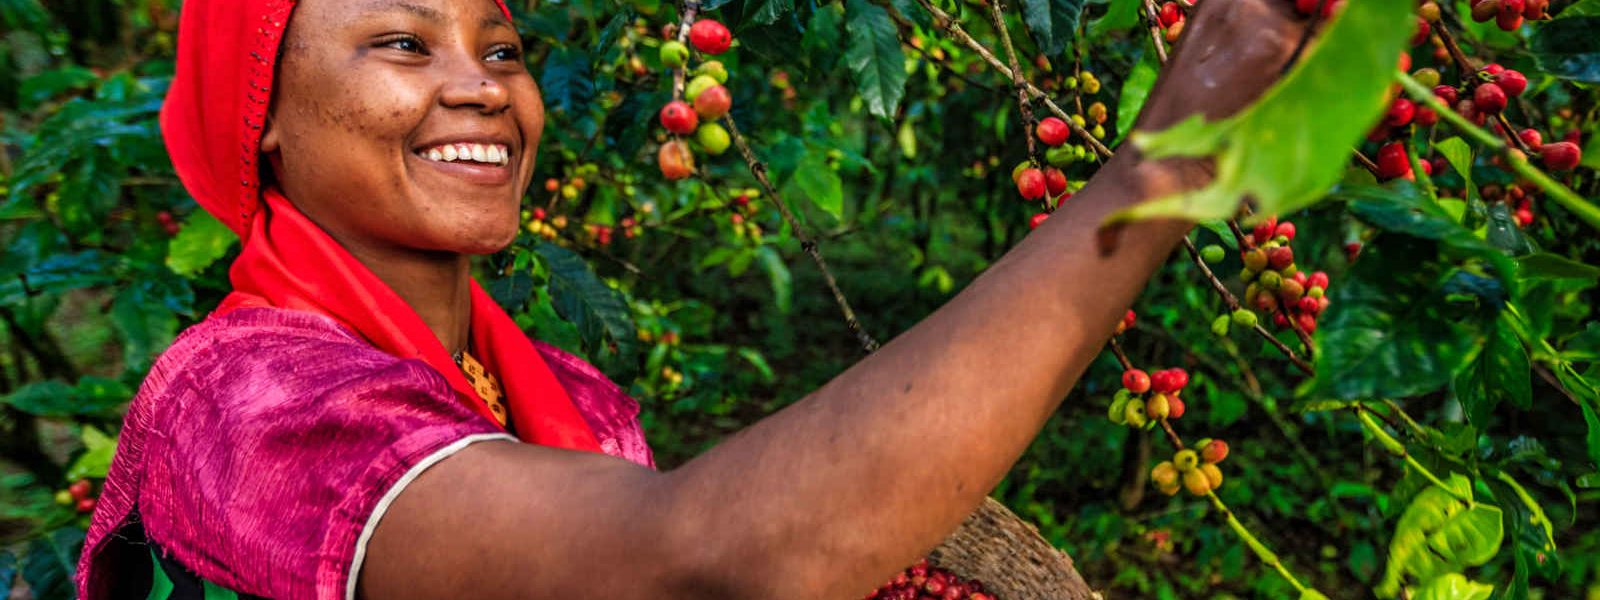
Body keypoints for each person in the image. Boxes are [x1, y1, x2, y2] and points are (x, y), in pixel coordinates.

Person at [76, 0, 1308, 597]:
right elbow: (708, 560)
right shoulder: (243, 402)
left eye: (499, 48)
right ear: (264, 121)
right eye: (404, 46)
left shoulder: (572, 401)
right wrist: (1157, 171)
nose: (482, 90)